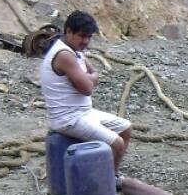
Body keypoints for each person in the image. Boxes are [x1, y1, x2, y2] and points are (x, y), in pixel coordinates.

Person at [40, 10, 131, 172]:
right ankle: (105, 183)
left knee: (125, 127)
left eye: (89, 37)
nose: (86, 41)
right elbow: (88, 88)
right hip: (68, 118)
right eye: (82, 36)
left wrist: (89, 77)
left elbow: (93, 73)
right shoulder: (64, 55)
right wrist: (90, 78)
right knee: (117, 143)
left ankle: (111, 176)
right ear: (68, 31)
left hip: (83, 112)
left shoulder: (75, 51)